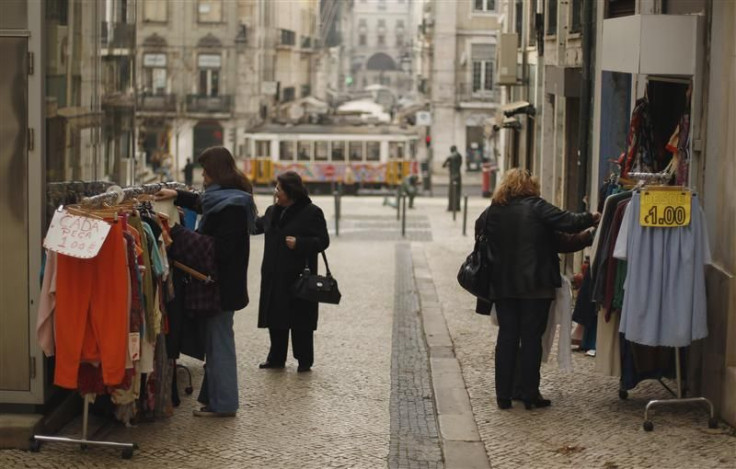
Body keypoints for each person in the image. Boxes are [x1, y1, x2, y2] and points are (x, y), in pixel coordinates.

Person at [476, 168, 598, 411]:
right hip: (536, 287)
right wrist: (592, 218)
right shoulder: (536, 207)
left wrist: (585, 237)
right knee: (532, 338)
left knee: (507, 337)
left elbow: (482, 241)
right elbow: (568, 221)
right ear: (529, 186)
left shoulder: (490, 213)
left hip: (503, 286)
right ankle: (529, 393)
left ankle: (504, 395)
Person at [155, 146, 256, 417]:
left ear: (215, 172)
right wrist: (178, 195)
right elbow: (204, 203)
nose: (202, 175)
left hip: (221, 287)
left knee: (219, 345)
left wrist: (178, 233)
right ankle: (215, 399)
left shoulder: (231, 206)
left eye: (205, 170)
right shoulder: (230, 198)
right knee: (216, 344)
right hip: (223, 285)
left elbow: (220, 250)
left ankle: (224, 404)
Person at [254, 171, 329, 372]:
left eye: (279, 189)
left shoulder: (311, 212)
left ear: (290, 191)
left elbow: (323, 241)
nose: (275, 192)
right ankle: (276, 358)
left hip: (299, 277)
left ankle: (304, 360)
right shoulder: (272, 212)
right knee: (276, 317)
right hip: (274, 275)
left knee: (300, 320)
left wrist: (300, 243)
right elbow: (254, 226)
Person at [443, 145, 462, 211]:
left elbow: (443, 165)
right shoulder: (459, 155)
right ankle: (457, 207)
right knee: (458, 192)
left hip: (453, 176)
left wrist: (448, 164)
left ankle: (451, 207)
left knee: (452, 192)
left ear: (451, 149)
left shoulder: (451, 156)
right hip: (458, 175)